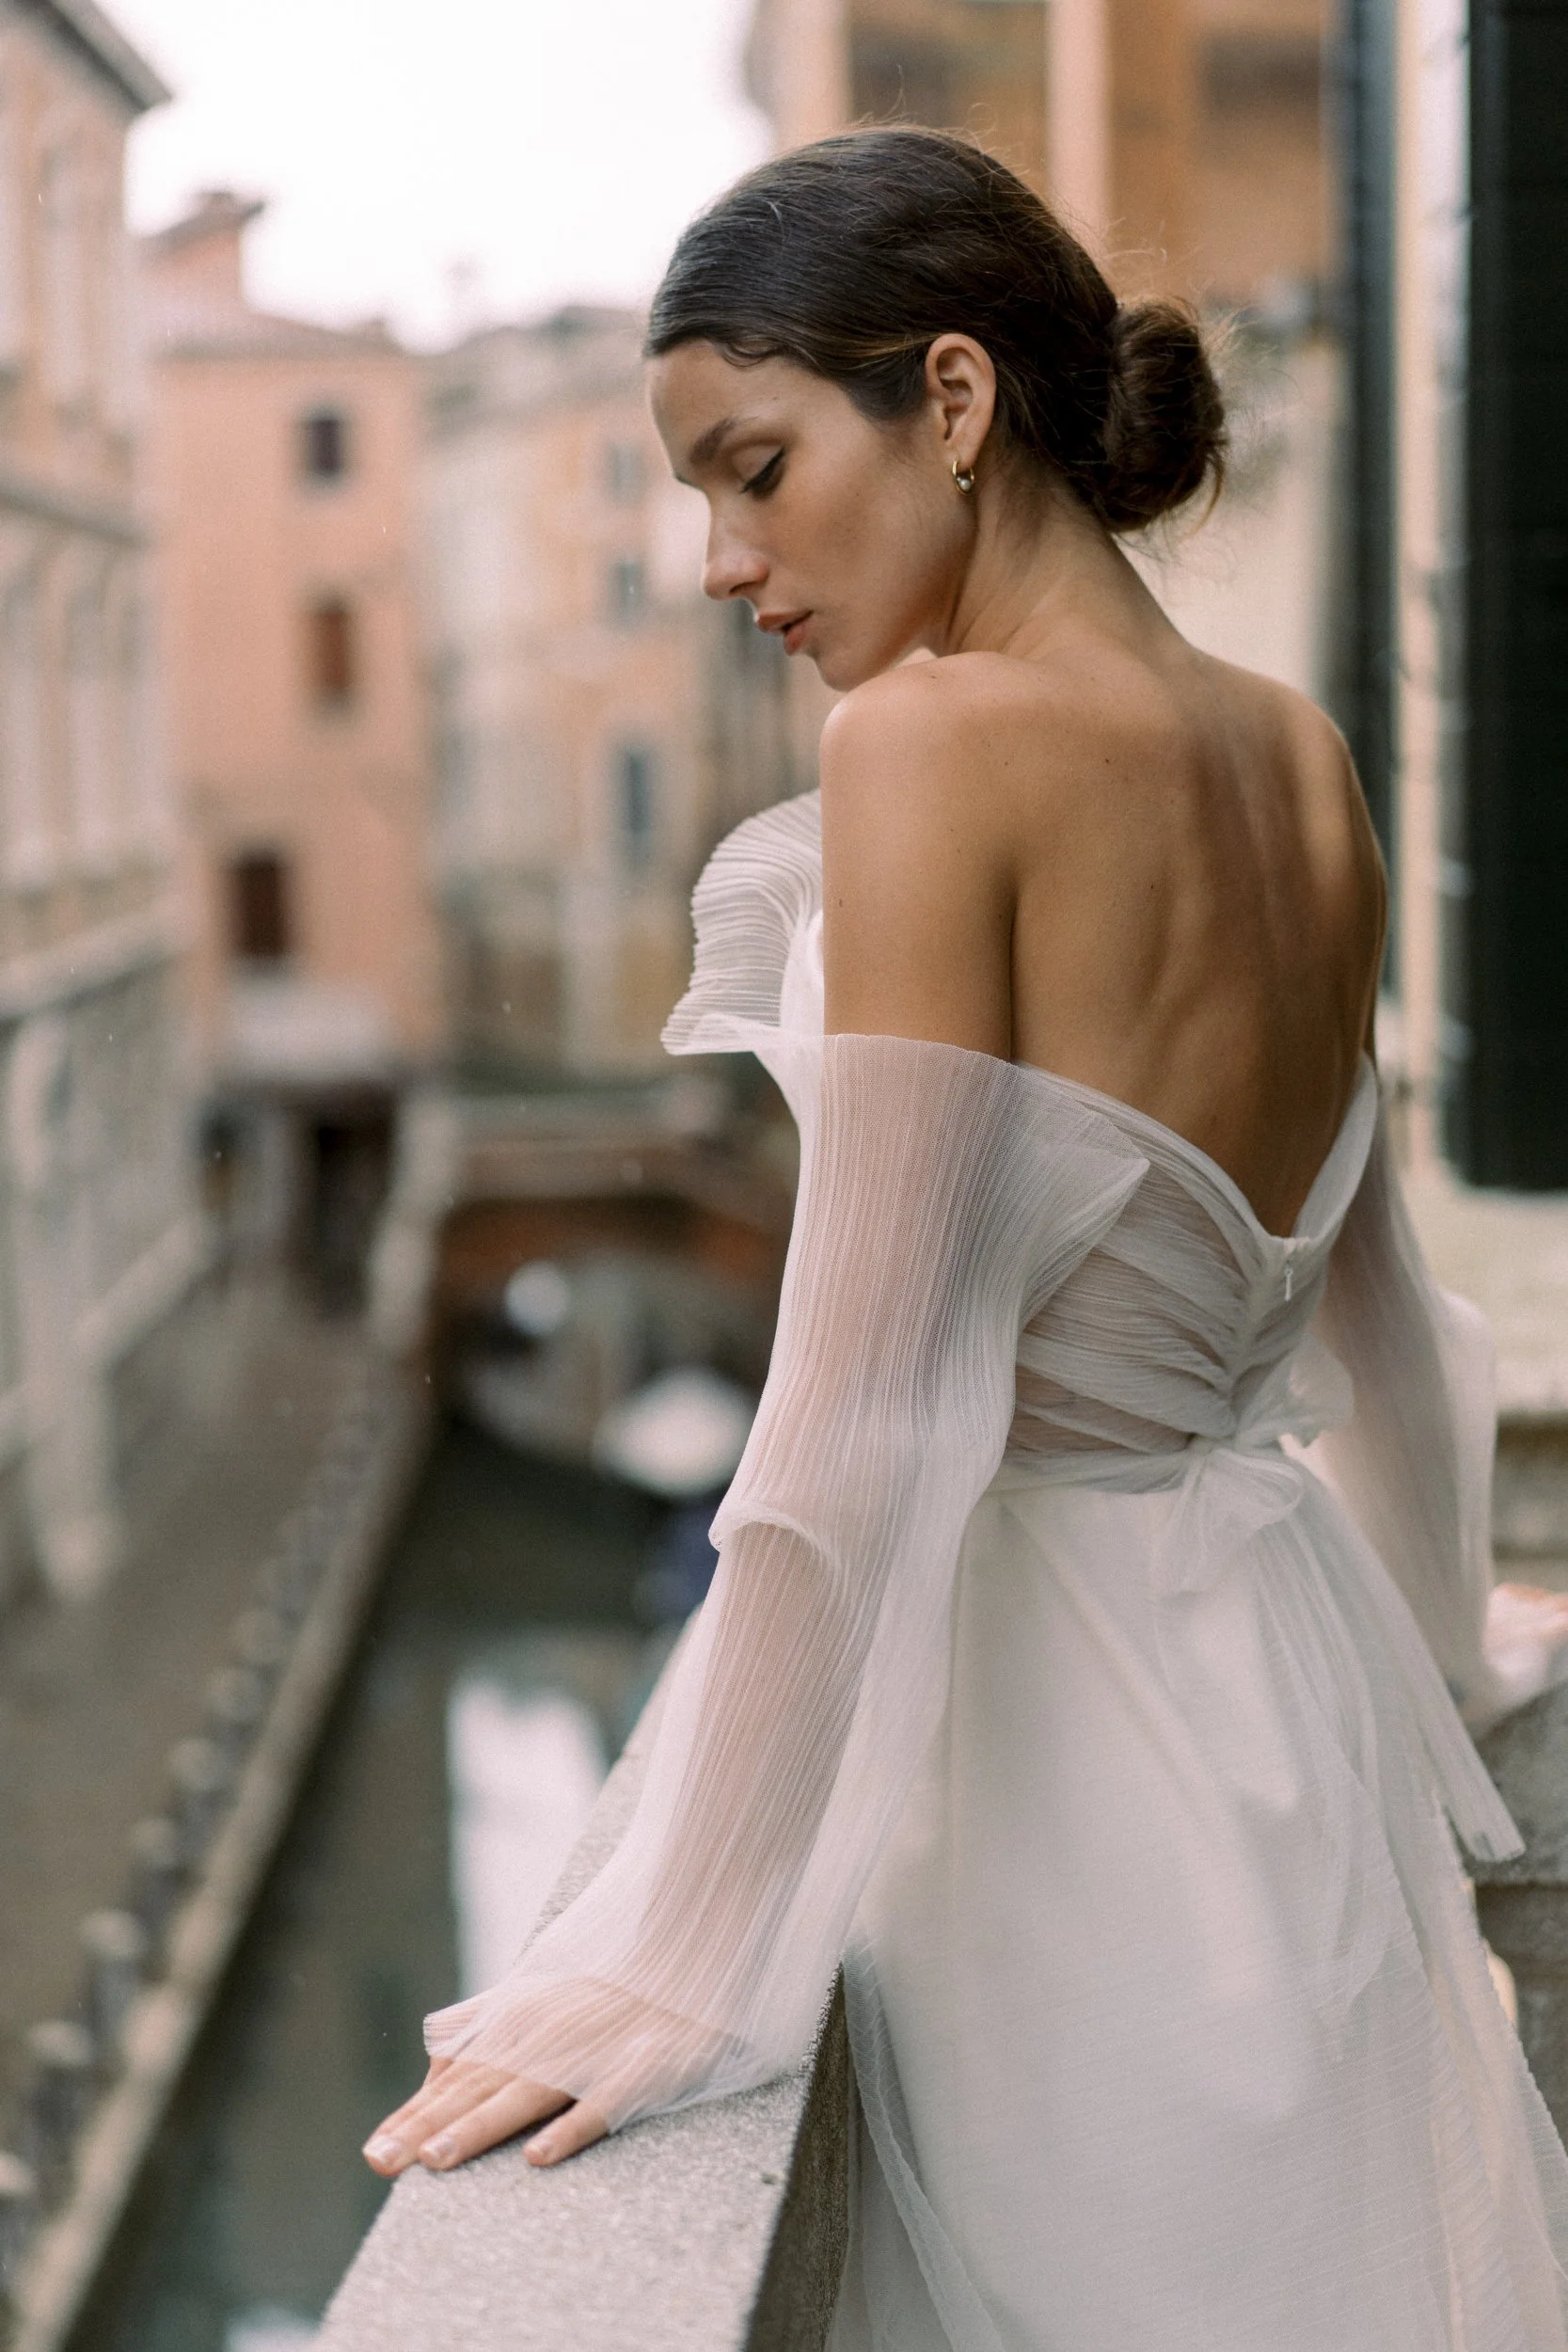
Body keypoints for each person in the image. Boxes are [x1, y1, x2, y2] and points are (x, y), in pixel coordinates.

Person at [365, 129, 1568, 2347]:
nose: (723, 563)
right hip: (1292, 1724)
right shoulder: (1294, 752)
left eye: (750, 467)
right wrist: (1455, 1694)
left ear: (945, 399)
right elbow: (1384, 1332)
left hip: (1059, 1793)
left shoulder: (927, 748)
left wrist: (673, 1946)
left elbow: (863, 1403)